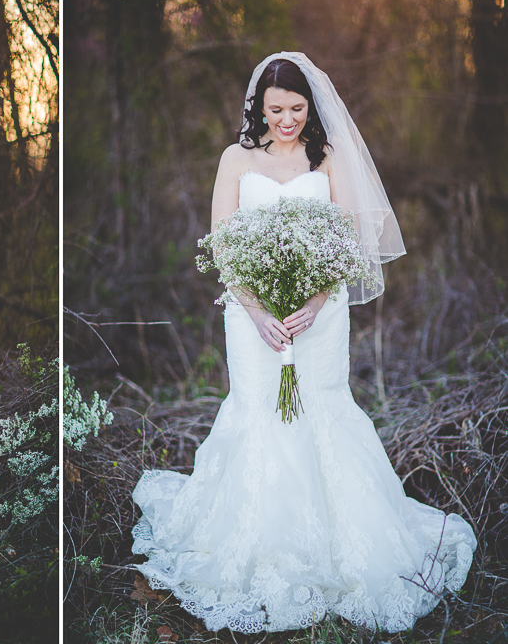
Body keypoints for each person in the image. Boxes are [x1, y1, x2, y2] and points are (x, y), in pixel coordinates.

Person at [130, 53, 476, 633]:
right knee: (258, 412)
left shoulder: (330, 157)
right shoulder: (235, 159)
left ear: (311, 107)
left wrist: (314, 304)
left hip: (322, 314)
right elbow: (221, 246)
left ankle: (340, 548)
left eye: (296, 109)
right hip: (252, 317)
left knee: (321, 409)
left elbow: (346, 243)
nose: (286, 119)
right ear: (257, 109)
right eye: (275, 110)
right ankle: (257, 546)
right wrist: (260, 311)